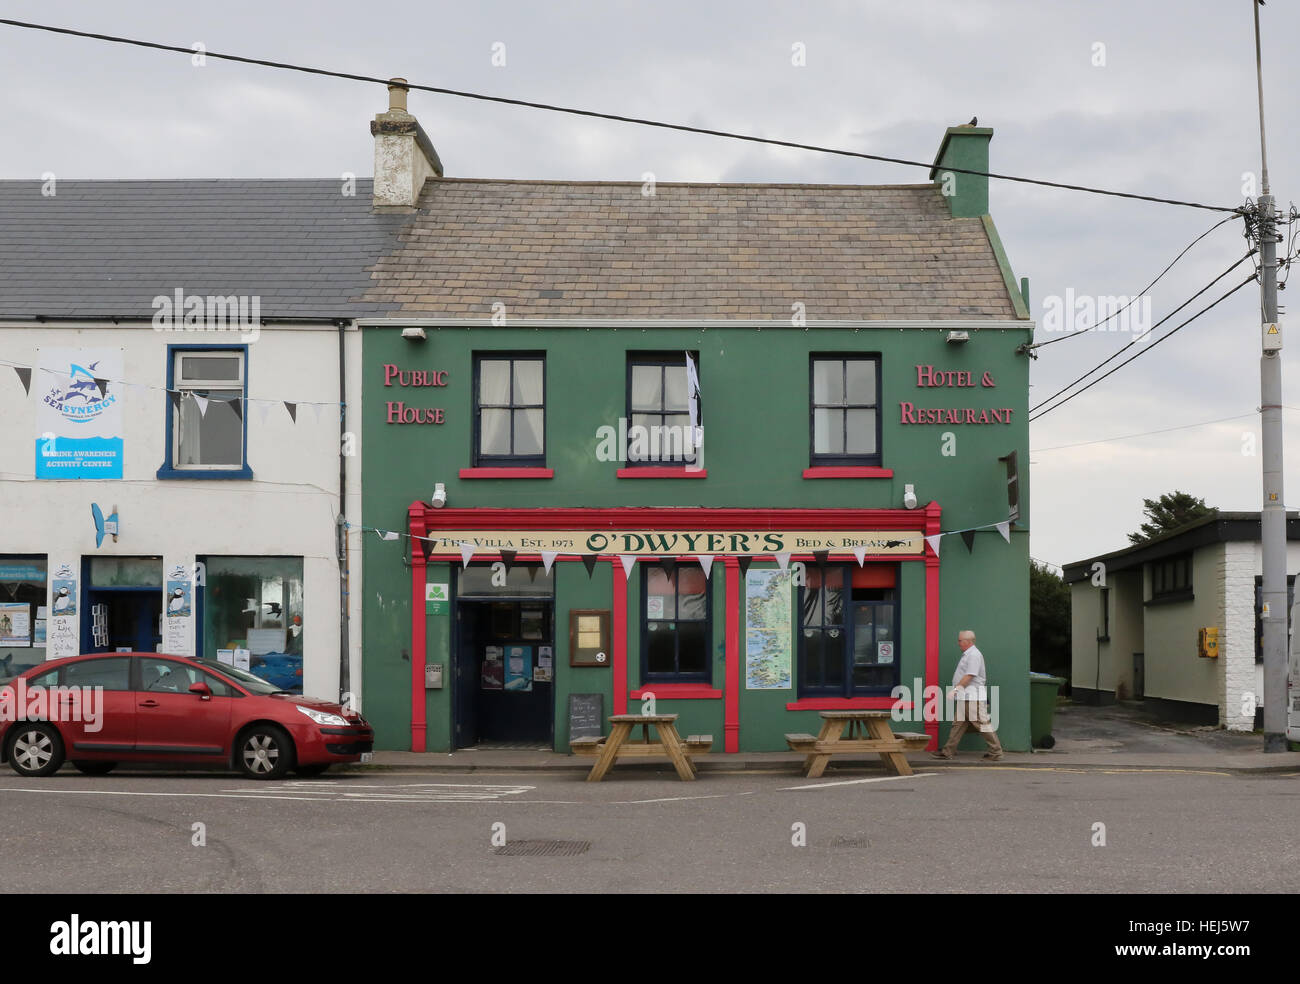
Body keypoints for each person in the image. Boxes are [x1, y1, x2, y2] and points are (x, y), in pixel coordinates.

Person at [931, 629, 1003, 761]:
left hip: (972, 697)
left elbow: (970, 675)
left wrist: (956, 689)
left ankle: (996, 752)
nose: (958, 643)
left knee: (982, 724)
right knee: (958, 726)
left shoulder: (974, 655)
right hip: (965, 697)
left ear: (969, 641)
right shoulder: (968, 654)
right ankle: (948, 751)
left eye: (960, 640)